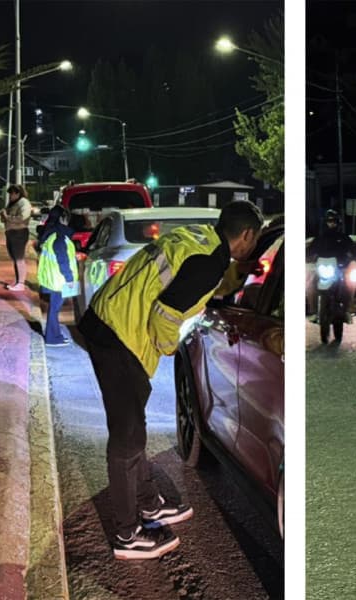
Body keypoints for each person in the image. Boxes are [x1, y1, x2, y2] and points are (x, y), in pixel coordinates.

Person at [78, 199, 263, 560]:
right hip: (118, 336)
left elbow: (198, 282)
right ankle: (128, 534)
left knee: (135, 426)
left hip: (108, 321)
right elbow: (165, 314)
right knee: (126, 436)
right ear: (247, 235)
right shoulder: (209, 262)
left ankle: (149, 504)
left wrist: (237, 277)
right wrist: (167, 348)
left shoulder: (199, 240)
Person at [308, 209, 356, 322]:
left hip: (340, 268)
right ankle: (314, 311)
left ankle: (347, 309)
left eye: (334, 221)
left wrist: (355, 257)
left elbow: (354, 250)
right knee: (310, 284)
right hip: (322, 269)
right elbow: (310, 251)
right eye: (329, 221)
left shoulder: (344, 238)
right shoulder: (320, 238)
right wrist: (308, 256)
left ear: (338, 223)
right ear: (325, 223)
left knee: (350, 282)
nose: (332, 223)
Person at [37, 205, 78, 347]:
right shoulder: (60, 238)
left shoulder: (52, 234)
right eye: (66, 218)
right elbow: (63, 261)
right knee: (54, 309)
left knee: (54, 308)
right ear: (62, 219)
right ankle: (52, 337)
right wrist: (70, 278)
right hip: (59, 280)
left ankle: (54, 335)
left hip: (54, 278)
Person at [0, 184, 32, 291]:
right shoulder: (13, 203)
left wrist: (7, 216)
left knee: (19, 258)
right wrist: (3, 215)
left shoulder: (23, 202)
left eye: (11, 194)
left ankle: (21, 283)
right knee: (15, 258)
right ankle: (18, 280)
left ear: (17, 193)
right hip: (11, 232)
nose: (10, 196)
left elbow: (22, 217)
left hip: (19, 233)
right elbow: (5, 219)